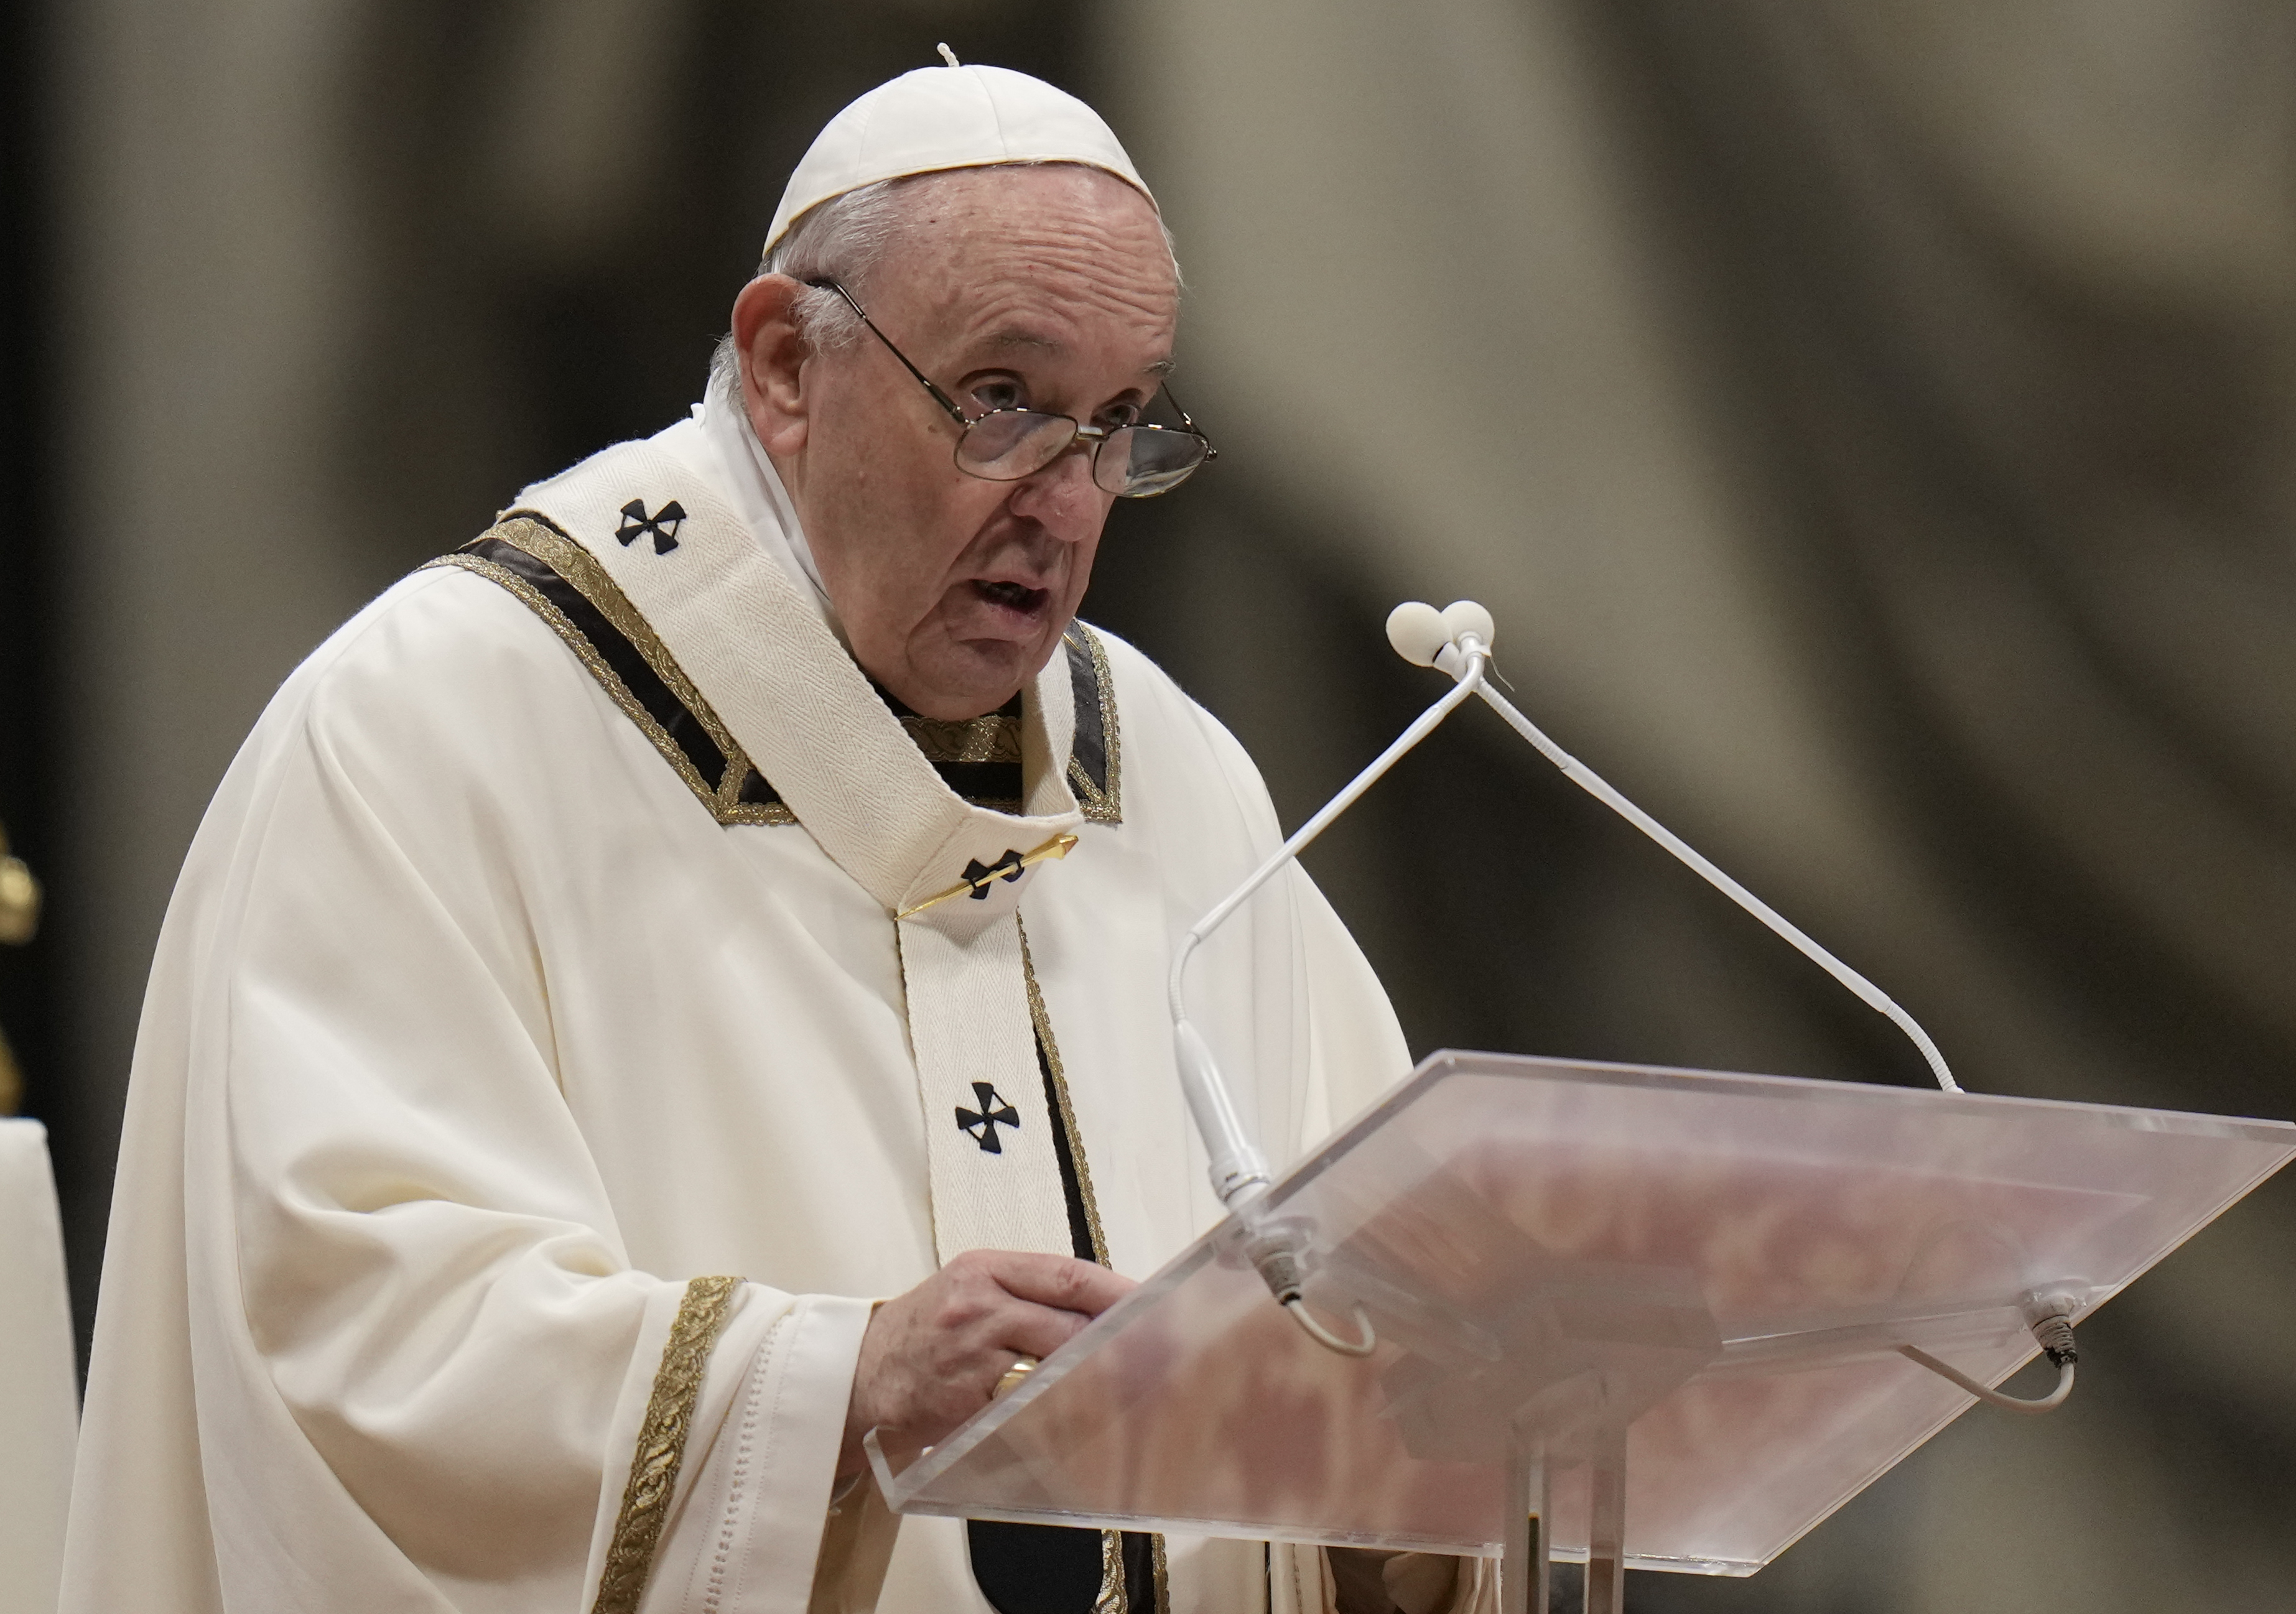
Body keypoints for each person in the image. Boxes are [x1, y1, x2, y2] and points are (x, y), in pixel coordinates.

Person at [58, 57, 1457, 1614]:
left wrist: (1423, 1489)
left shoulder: (1174, 776)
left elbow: (1387, 1309)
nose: (1068, 506)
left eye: (1120, 423)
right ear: (787, 364)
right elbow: (343, 1337)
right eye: (1004, 399)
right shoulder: (438, 725)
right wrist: (829, 1383)